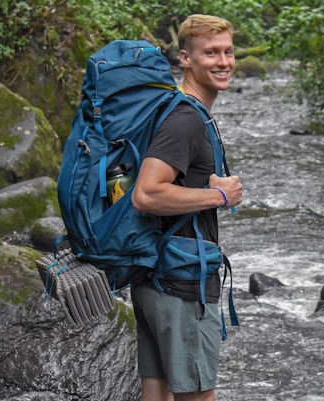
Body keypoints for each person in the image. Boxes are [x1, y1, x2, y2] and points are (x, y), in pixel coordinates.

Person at [130, 14, 242, 401]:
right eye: (211, 53)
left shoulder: (178, 111)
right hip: (179, 285)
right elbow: (146, 194)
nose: (223, 61)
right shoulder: (185, 120)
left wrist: (201, 186)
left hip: (154, 276)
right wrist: (219, 197)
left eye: (228, 51)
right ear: (185, 59)